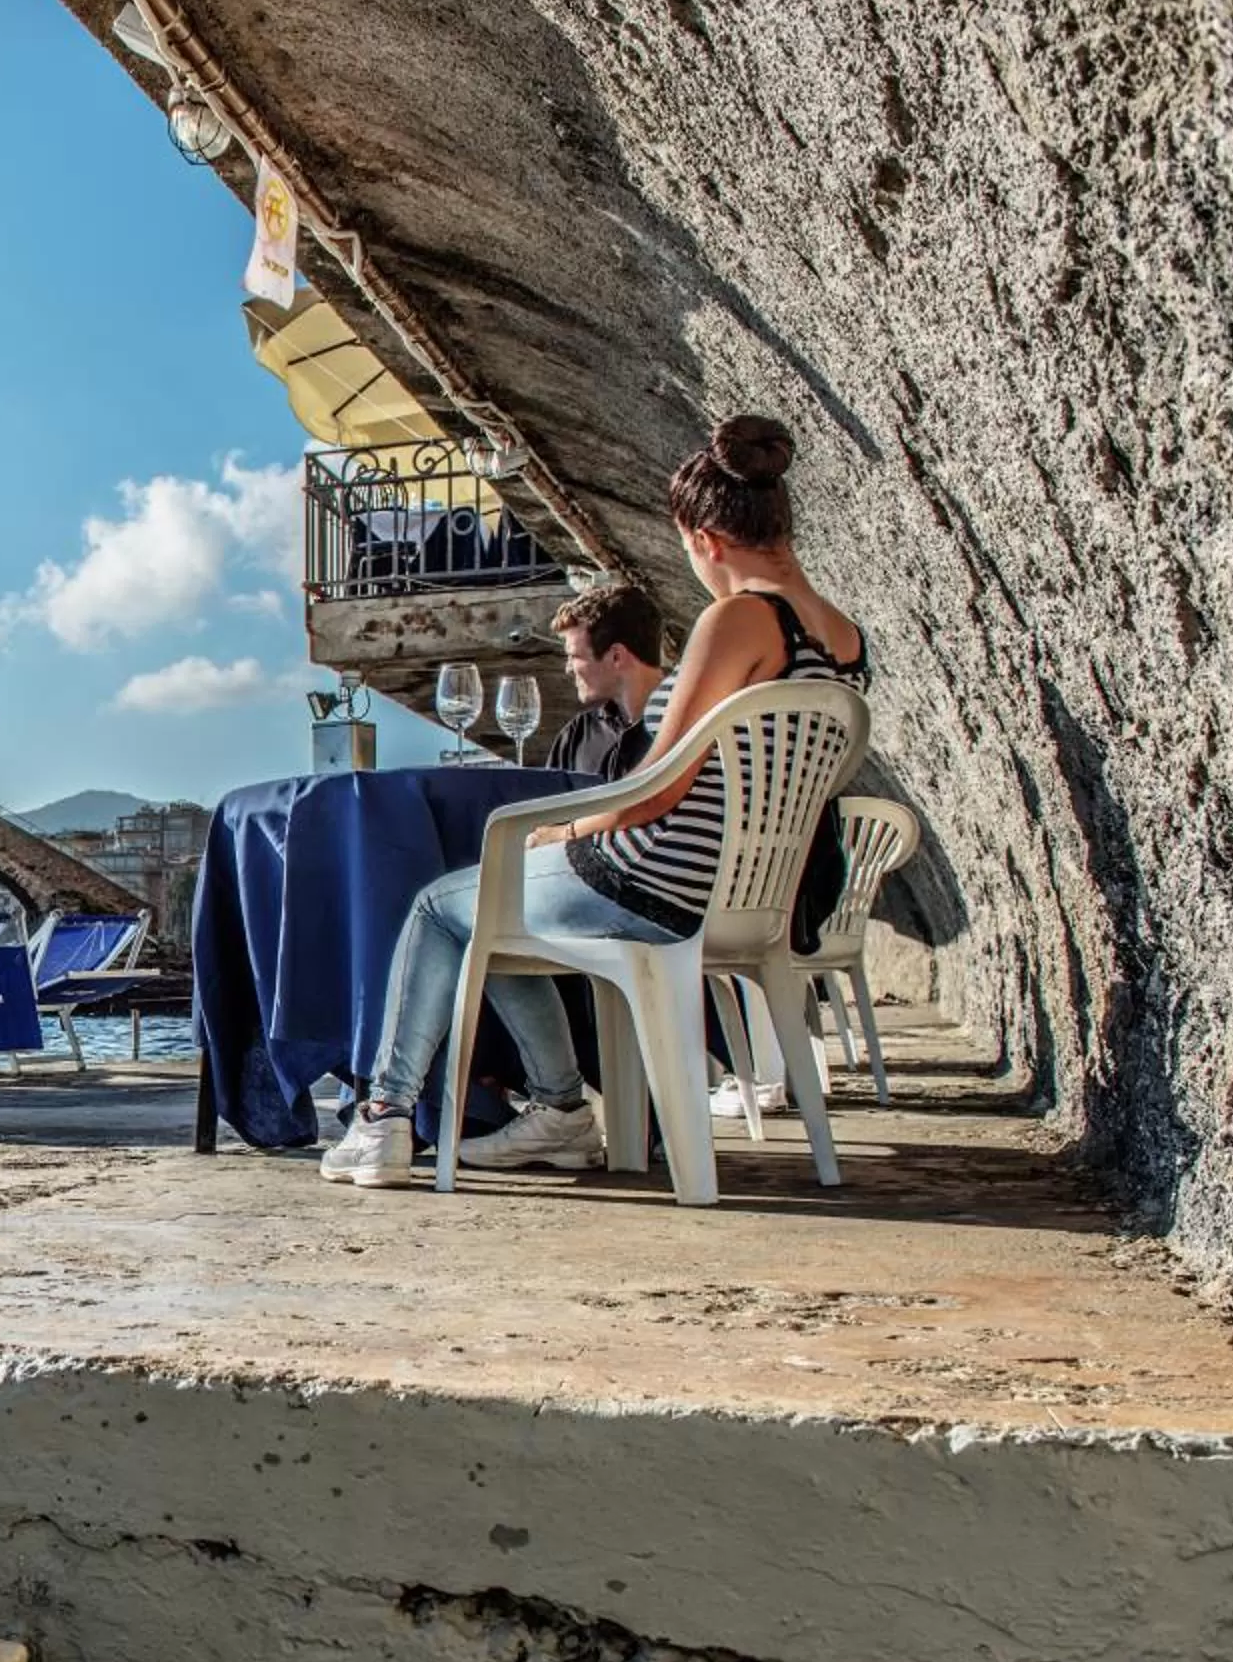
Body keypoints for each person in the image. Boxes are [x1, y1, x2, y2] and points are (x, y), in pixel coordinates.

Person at [326, 414, 870, 1187]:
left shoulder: (738, 619)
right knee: (492, 898)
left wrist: (568, 830)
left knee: (441, 907)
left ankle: (389, 1118)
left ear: (706, 540)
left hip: (660, 880)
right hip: (750, 892)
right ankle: (557, 1113)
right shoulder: (844, 640)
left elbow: (659, 786)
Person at [542, 582, 669, 779]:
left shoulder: (685, 728)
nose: (568, 669)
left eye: (575, 656)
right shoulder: (577, 735)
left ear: (616, 656)